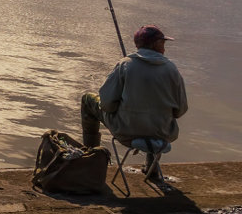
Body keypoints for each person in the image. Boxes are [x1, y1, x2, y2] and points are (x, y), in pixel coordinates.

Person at [80, 25, 188, 160]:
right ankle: (152, 169)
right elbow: (180, 110)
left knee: (87, 99)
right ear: (154, 44)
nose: (164, 48)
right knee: (156, 117)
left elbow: (107, 105)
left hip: (126, 133)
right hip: (163, 135)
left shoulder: (125, 65)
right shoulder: (172, 70)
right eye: (162, 43)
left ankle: (90, 158)